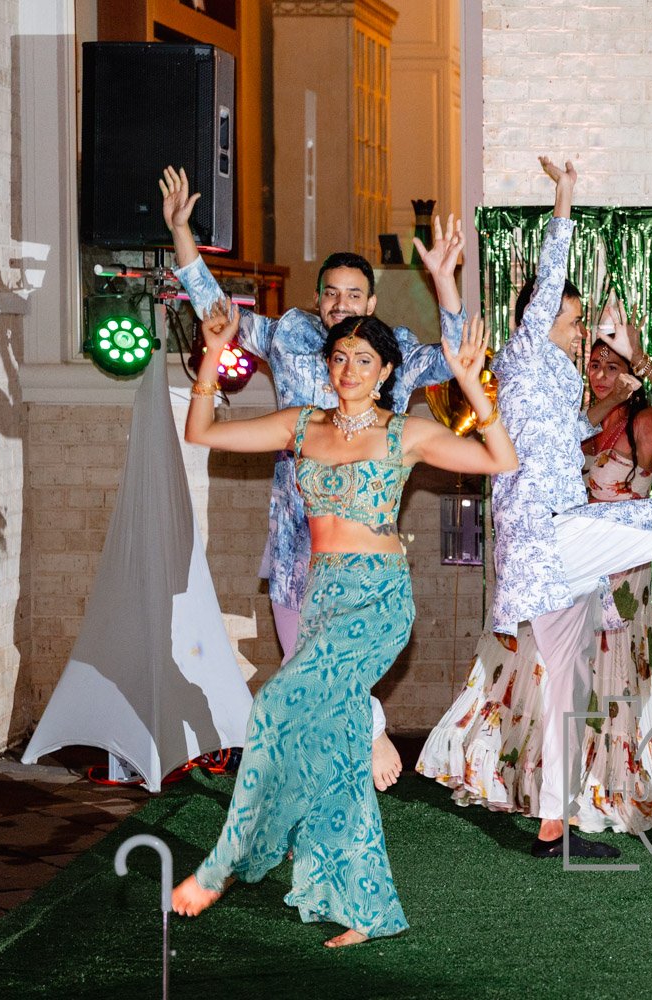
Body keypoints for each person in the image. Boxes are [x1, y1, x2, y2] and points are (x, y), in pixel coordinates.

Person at [170, 305, 517, 946]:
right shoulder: (303, 425)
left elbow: (500, 460)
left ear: (386, 371)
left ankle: (221, 869)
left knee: (274, 706)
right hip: (325, 597)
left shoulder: (402, 431)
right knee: (334, 750)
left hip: (380, 601)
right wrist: (214, 353)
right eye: (338, 357)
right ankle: (367, 908)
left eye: (364, 360)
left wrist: (471, 382)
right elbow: (203, 433)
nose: (349, 369)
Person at [160, 166, 469, 792]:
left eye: (353, 295)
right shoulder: (290, 336)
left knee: (331, 670)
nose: (340, 306)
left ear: (371, 302)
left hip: (361, 548)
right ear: (319, 296)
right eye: (331, 294)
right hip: (295, 541)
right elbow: (215, 310)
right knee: (306, 670)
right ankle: (326, 788)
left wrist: (446, 285)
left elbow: (461, 353)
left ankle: (366, 735)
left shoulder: (397, 350)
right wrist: (182, 234)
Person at [488, 157, 652, 860]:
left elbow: (575, 432)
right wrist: (566, 195)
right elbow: (548, 282)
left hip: (545, 560)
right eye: (571, 321)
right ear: (541, 322)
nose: (578, 333)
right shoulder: (528, 354)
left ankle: (553, 828)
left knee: (565, 689)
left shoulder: (551, 389)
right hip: (549, 539)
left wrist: (626, 369)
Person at [417, 306, 652, 834]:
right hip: (564, 560)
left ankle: (598, 790)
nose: (596, 373)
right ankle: (552, 797)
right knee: (549, 678)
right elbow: (555, 443)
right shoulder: (572, 419)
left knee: (608, 681)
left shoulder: (641, 423)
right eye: (590, 363)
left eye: (607, 363)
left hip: (620, 568)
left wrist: (639, 362)